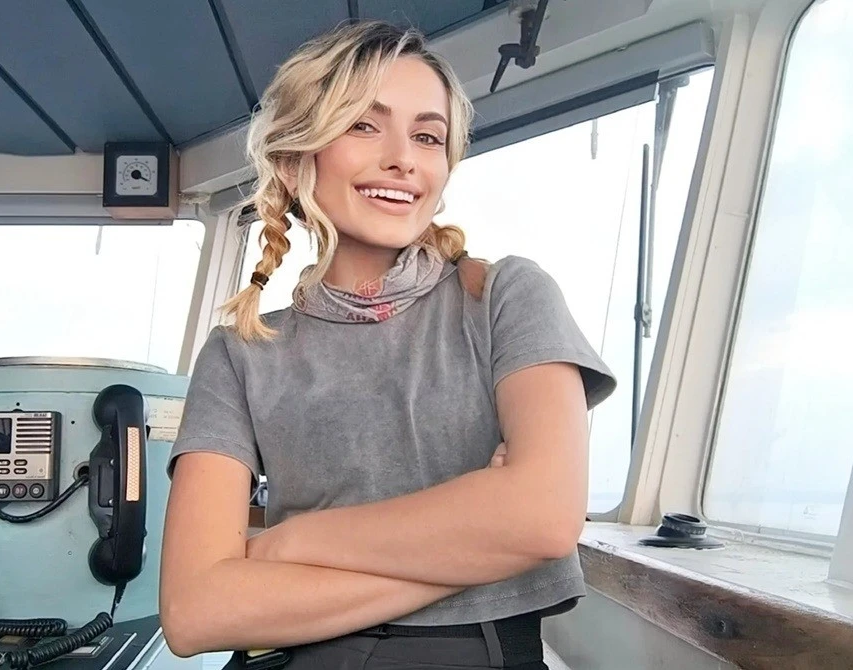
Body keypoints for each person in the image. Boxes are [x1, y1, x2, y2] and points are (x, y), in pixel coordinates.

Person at [159, 19, 616, 670]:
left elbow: (543, 518)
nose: (404, 157)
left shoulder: (506, 297)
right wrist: (480, 546)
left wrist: (293, 543)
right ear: (294, 159)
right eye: (363, 126)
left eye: (427, 136)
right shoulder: (239, 352)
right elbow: (193, 612)